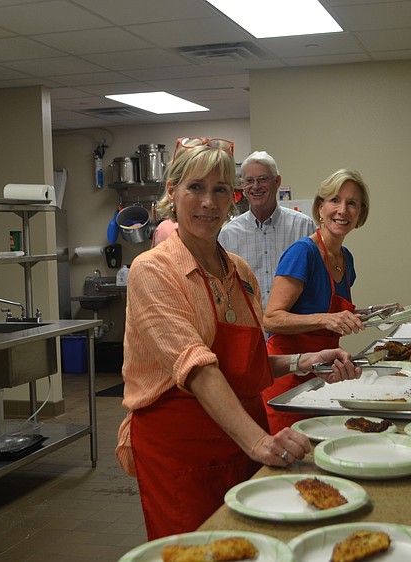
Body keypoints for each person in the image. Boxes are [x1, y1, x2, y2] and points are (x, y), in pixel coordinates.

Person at [115, 138, 361, 540]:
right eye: (195, 187)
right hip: (182, 445)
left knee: (250, 543)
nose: (208, 202)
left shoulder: (240, 273)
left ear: (234, 199)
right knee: (197, 548)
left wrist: (308, 361)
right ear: (172, 192)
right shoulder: (154, 271)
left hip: (239, 434)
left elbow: (245, 366)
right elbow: (197, 368)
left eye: (220, 190)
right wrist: (260, 442)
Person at [261, 169, 371, 434]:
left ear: (360, 214)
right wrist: (327, 319)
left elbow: (326, 310)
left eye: (352, 203)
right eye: (335, 200)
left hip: (321, 373)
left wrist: (374, 314)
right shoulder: (303, 253)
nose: (342, 210)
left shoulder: (346, 258)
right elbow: (271, 318)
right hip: (286, 377)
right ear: (320, 208)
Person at [218, 150, 316, 303]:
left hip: (295, 324)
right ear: (243, 186)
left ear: (277, 182)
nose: (256, 186)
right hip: (250, 323)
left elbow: (315, 281)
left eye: (262, 179)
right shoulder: (228, 235)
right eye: (249, 181)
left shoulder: (303, 227)